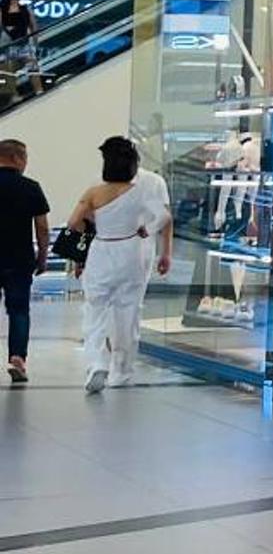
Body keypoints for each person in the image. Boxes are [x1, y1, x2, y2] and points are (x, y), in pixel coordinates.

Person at [66, 134, 171, 393]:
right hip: (133, 252)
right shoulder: (144, 189)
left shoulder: (94, 190)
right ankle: (122, 371)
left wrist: (92, 223)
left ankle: (97, 361)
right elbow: (164, 216)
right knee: (128, 313)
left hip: (102, 250)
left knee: (95, 310)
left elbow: (73, 223)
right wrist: (148, 231)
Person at [0, 139, 49, 383]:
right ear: (16, 158)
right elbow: (42, 227)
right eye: (25, 158)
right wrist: (42, 256)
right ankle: (18, 358)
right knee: (19, 310)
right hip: (19, 260)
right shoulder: (30, 187)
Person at [0, 0, 38, 101]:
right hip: (7, 42)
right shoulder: (2, 9)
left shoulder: (25, 8)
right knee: (8, 69)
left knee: (32, 65)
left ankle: (39, 90)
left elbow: (33, 25)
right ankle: (14, 95)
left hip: (24, 41)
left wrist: (35, 41)